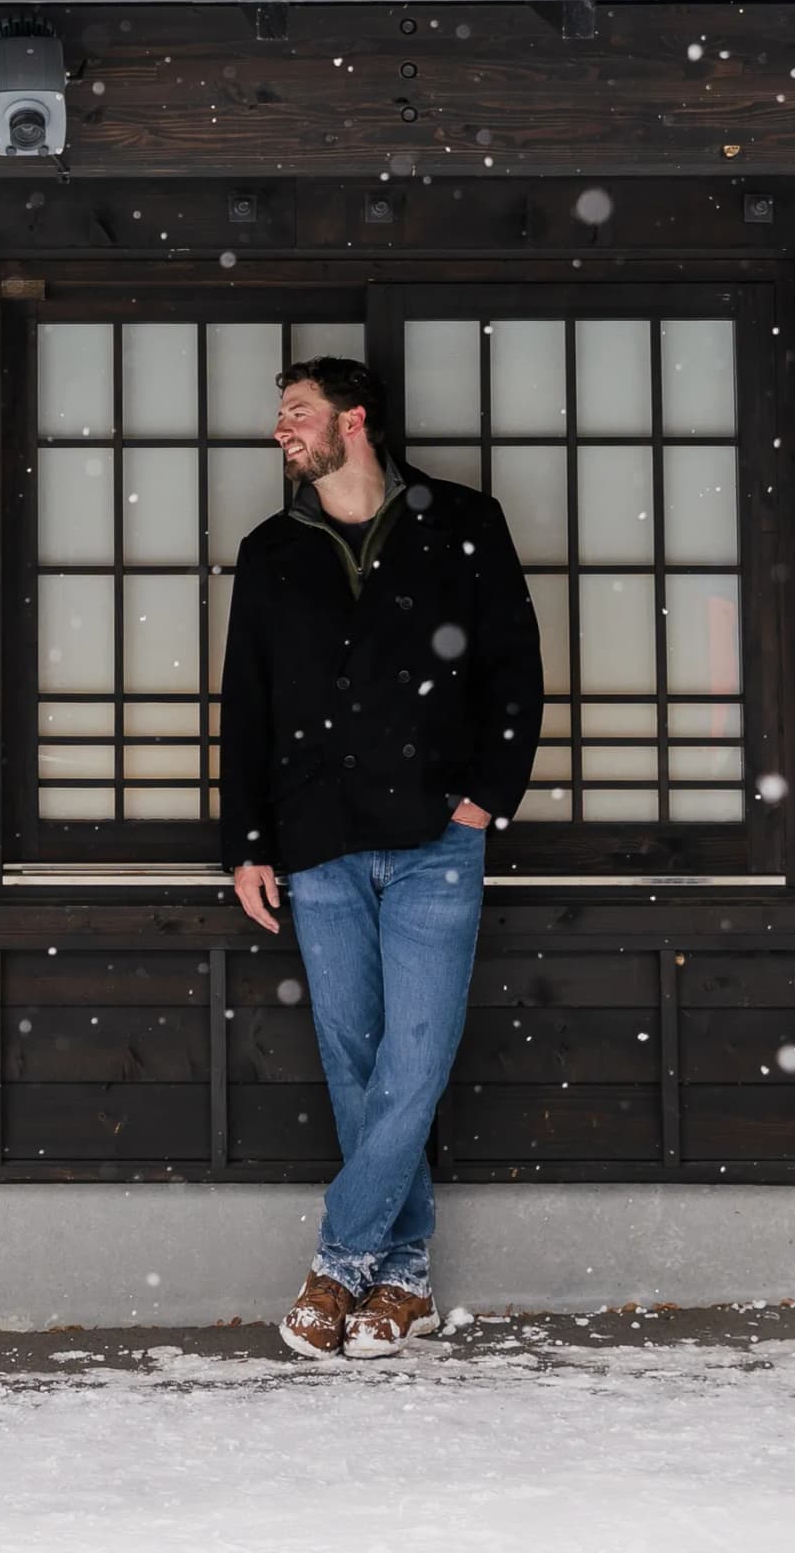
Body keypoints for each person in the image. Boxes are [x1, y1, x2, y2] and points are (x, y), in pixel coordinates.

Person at [219, 355, 542, 1361]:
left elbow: (514, 666)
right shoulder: (272, 550)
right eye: (280, 417)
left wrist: (487, 798)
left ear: (354, 420)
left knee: (416, 1056)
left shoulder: (464, 524)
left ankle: (340, 1259)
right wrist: (246, 844)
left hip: (437, 838)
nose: (284, 431)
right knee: (356, 1059)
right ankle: (400, 1280)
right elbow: (247, 707)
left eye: (298, 413)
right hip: (316, 841)